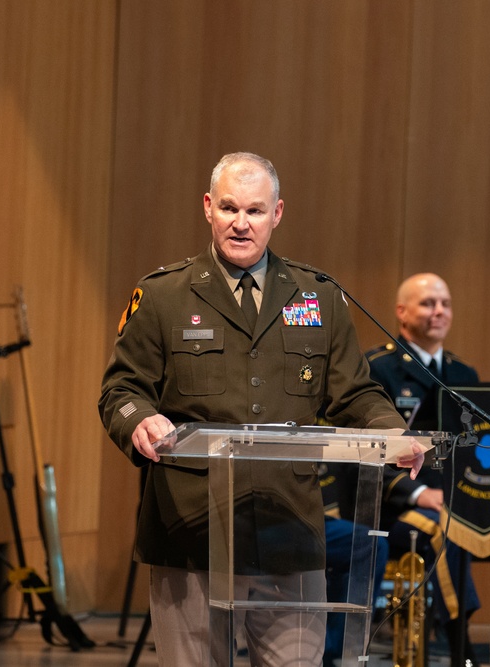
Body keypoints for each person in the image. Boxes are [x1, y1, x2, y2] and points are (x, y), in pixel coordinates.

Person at [99, 152, 421, 665]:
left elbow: (355, 394)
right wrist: (140, 419)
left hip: (287, 532)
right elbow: (120, 389)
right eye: (229, 208)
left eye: (255, 210)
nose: (241, 223)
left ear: (278, 214)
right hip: (192, 533)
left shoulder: (319, 296)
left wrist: (391, 432)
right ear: (208, 208)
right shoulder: (163, 295)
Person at [364, 272, 490, 663]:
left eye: (445, 303)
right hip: (402, 507)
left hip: (467, 497)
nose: (439, 311)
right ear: (401, 312)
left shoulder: (464, 374)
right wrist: (421, 493)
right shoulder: (376, 369)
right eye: (428, 303)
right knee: (447, 528)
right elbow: (365, 452)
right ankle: (460, 644)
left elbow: (477, 449)